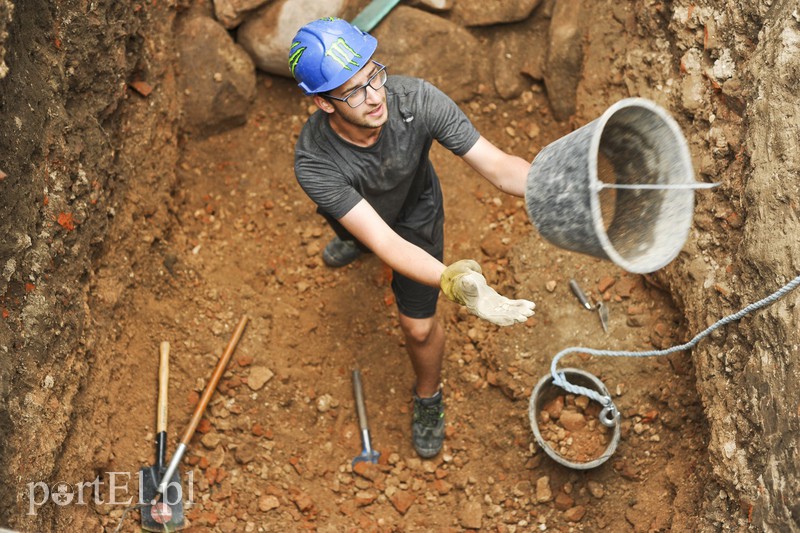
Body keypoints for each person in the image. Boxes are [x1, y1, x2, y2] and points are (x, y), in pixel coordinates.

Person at [289, 17, 535, 458]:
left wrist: (556, 185)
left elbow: (498, 167)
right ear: (325, 104)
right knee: (359, 234)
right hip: (363, 220)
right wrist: (451, 278)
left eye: (374, 75)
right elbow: (383, 242)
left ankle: (427, 397)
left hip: (416, 215)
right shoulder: (315, 163)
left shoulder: (416, 100)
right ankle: (351, 242)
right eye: (354, 91)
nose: (375, 96)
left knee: (418, 329)